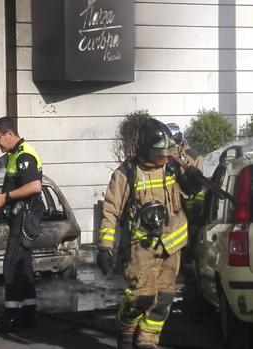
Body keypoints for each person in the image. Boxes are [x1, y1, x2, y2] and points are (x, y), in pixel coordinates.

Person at [96, 118, 202, 349]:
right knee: (140, 298)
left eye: (168, 151)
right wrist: (105, 247)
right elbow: (111, 211)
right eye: (160, 152)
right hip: (142, 247)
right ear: (145, 149)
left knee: (163, 299)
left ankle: (147, 340)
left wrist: (193, 182)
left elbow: (190, 192)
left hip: (172, 246)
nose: (165, 156)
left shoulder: (174, 166)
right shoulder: (127, 173)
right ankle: (126, 329)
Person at [0, 116, 43, 332]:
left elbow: (35, 186)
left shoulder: (24, 155)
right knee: (23, 268)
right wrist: (1, 198)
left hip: (24, 220)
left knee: (11, 266)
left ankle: (10, 317)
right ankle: (28, 316)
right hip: (20, 218)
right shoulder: (14, 155)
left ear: (9, 133)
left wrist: (5, 197)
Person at [166, 122, 205, 259]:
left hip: (189, 208)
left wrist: (196, 207)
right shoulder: (163, 158)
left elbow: (198, 186)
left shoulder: (194, 157)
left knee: (190, 244)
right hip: (171, 209)